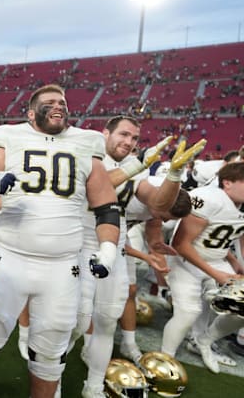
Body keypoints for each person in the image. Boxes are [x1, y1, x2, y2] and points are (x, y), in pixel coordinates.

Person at [0, 84, 120, 398]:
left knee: (51, 351)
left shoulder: (87, 141)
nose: (59, 105)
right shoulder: (12, 136)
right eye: (50, 102)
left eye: (62, 101)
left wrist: (107, 249)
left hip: (61, 267)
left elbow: (107, 206)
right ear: (31, 113)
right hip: (10, 257)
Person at [75, 116, 204, 398]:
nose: (129, 142)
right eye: (124, 135)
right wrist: (137, 165)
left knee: (108, 320)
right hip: (75, 245)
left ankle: (94, 386)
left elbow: (158, 204)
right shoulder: (86, 151)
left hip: (115, 246)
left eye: (135, 138)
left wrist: (174, 176)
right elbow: (95, 188)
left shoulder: (137, 169)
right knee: (71, 321)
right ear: (105, 133)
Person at [162, 162, 244, 373]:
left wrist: (235, 263)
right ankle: (165, 360)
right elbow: (181, 244)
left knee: (241, 307)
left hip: (217, 260)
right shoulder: (209, 198)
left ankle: (204, 341)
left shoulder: (237, 202)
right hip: (187, 260)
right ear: (227, 183)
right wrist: (216, 274)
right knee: (189, 312)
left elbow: (221, 236)